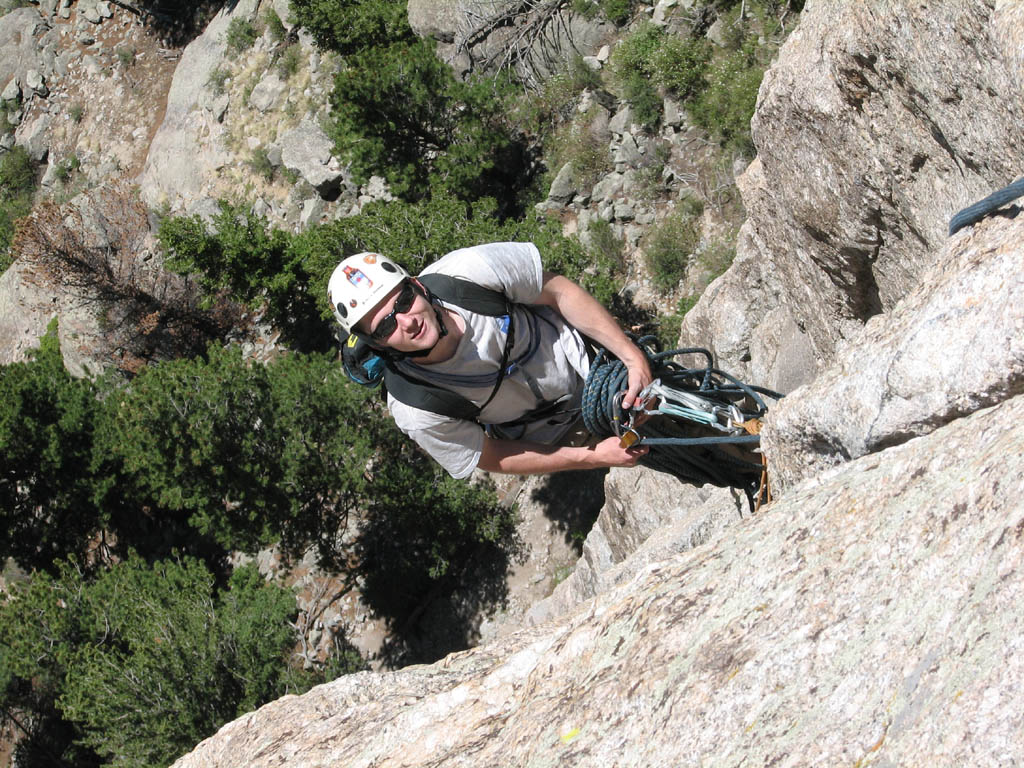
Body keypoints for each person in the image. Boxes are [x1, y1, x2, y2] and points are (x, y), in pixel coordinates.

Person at [327, 242, 653, 478]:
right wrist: (593, 457)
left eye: (404, 301)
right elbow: (488, 455)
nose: (406, 320)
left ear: (416, 286)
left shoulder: (470, 271)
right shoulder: (416, 407)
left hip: (594, 365)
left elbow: (558, 291)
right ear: (376, 344)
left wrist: (633, 359)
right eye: (385, 326)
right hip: (555, 433)